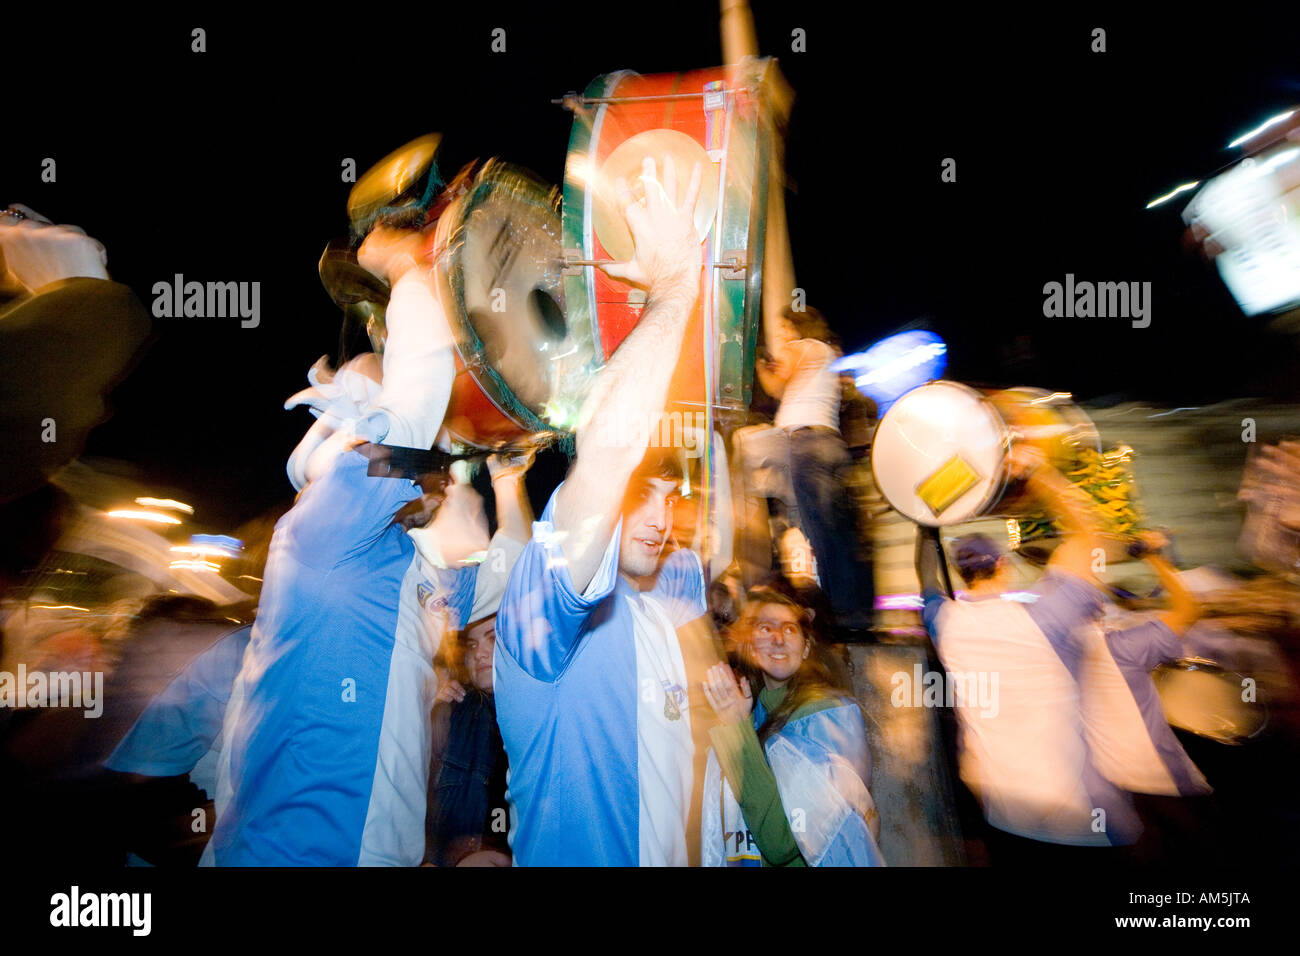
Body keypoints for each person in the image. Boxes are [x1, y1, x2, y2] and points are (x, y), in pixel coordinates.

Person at [207, 223, 536, 865]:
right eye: (436, 467)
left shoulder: (411, 568)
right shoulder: (319, 529)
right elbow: (407, 423)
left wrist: (509, 479)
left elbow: (512, 567)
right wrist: (406, 268)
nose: (441, 473)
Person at [494, 155, 720, 866]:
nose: (660, 517)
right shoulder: (538, 617)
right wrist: (676, 285)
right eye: (638, 498)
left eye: (670, 498)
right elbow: (611, 450)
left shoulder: (672, 595)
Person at [914, 446, 1142, 863]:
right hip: (1086, 826)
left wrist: (925, 523)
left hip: (1006, 821)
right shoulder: (1049, 617)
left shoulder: (946, 623)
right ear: (1004, 565)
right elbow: (1090, 539)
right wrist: (1040, 473)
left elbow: (926, 579)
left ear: (963, 573)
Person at [700, 584, 883, 866]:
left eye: (789, 629)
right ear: (750, 646)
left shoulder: (824, 717)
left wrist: (735, 728)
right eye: (765, 628)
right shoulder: (752, 709)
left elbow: (782, 841)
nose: (778, 639)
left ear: (806, 647)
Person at [1076, 530, 1218, 862]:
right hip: (1164, 781)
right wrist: (1154, 555)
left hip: (1111, 787)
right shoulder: (1123, 647)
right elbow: (1188, 608)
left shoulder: (1059, 654)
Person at [749, 306, 872, 629]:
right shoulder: (828, 354)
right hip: (830, 443)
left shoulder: (802, 347)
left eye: (786, 327)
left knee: (819, 535)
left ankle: (836, 615)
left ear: (798, 328)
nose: (783, 335)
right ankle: (856, 613)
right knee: (837, 534)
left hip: (805, 446)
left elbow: (776, 384)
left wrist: (762, 363)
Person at [423, 613, 511, 867]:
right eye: (471, 645)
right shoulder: (450, 711)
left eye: (492, 638)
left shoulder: (545, 716)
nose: (479, 653)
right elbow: (416, 798)